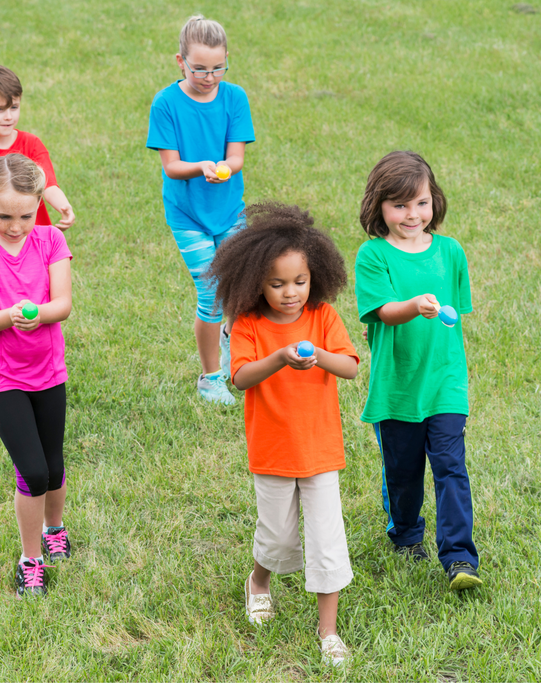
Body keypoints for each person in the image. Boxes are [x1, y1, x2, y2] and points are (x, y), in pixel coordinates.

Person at [207, 202, 359, 667]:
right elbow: (240, 378)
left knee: (327, 539)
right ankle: (259, 580)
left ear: (316, 276)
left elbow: (350, 367)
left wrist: (316, 358)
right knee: (277, 536)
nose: (290, 293)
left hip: (319, 449)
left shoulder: (324, 317)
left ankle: (328, 632)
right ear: (255, 282)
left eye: (300, 282)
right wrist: (280, 358)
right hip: (273, 449)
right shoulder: (249, 324)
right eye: (276, 284)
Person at [354, 150, 482, 591]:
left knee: (450, 466)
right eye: (400, 205)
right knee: (404, 473)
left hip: (445, 382)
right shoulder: (373, 256)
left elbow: (456, 317)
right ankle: (406, 535)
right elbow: (384, 312)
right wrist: (414, 306)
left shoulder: (451, 252)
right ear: (379, 207)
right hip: (398, 388)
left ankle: (460, 559)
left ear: (435, 201)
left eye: (422, 202)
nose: (413, 214)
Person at [0, 154, 73, 598]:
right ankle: (31, 559)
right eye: (4, 215)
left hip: (48, 371)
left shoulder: (49, 242)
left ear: (38, 204)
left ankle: (55, 527)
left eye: (25, 215)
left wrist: (38, 314)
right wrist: (11, 316)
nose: (15, 225)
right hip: (2, 377)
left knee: (55, 466)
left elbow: (62, 304)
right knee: (33, 470)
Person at [147, 14, 255, 405]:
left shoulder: (234, 97)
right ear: (180, 61)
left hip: (229, 212)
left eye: (217, 68)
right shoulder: (166, 104)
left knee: (241, 288)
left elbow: (237, 157)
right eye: (199, 69)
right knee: (211, 290)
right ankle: (210, 378)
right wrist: (202, 167)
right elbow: (172, 167)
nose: (209, 76)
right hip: (188, 214)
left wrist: (223, 168)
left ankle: (232, 342)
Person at [0, 64, 75, 235]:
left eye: (14, 107)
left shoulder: (32, 144)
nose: (8, 116)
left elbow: (48, 185)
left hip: (34, 234)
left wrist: (64, 206)